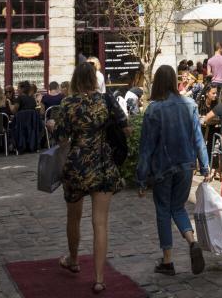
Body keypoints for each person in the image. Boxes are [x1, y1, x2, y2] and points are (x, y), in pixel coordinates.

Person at [50, 62, 128, 293]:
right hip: (102, 164)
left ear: (75, 79)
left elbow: (62, 139)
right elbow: (126, 128)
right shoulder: (106, 100)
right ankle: (99, 278)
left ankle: (73, 260)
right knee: (100, 223)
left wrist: (52, 125)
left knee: (73, 217)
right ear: (94, 79)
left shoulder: (68, 103)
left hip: (76, 166)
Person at [137, 65, 209, 277]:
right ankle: (192, 241)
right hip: (186, 164)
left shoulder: (154, 109)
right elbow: (198, 139)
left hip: (163, 167)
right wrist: (204, 166)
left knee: (163, 210)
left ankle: (167, 261)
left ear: (158, 82)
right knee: (178, 207)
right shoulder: (190, 104)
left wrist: (141, 178)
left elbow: (146, 147)